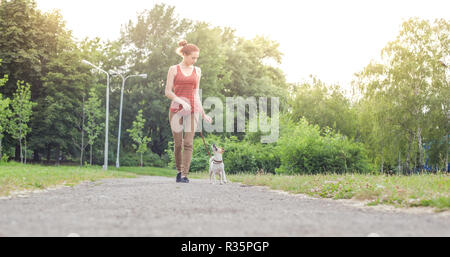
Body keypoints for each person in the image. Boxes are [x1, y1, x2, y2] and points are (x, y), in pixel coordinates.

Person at [165, 40, 212, 183]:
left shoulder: (197, 71)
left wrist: (203, 114)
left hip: (193, 110)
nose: (195, 60)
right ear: (184, 55)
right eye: (193, 57)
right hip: (176, 109)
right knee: (178, 143)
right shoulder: (173, 69)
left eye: (196, 58)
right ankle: (179, 171)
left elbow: (196, 93)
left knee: (189, 143)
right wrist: (181, 102)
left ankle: (185, 175)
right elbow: (167, 92)